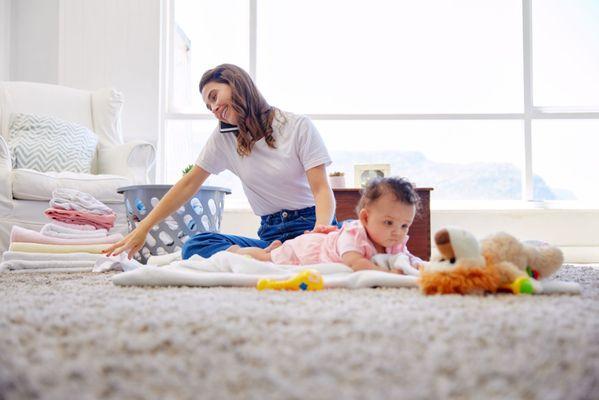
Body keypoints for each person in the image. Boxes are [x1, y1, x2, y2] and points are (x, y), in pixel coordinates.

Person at [103, 64, 339, 260]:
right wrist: (143, 228)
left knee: (355, 240)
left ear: (235, 83)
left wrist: (318, 232)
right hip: (272, 234)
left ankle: (282, 257)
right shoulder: (223, 138)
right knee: (195, 245)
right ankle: (265, 257)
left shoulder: (297, 126)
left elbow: (320, 189)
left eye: (214, 97)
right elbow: (188, 184)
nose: (214, 109)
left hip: (311, 223)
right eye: (209, 107)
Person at [230, 177, 423, 273]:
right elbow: (354, 262)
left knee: (272, 253)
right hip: (306, 249)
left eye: (405, 225)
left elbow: (407, 257)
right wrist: (386, 274)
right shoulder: (354, 234)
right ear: (365, 218)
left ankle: (273, 247)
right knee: (268, 259)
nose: (397, 232)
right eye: (388, 222)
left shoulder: (395, 239)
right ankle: (238, 251)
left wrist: (420, 267)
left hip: (319, 242)